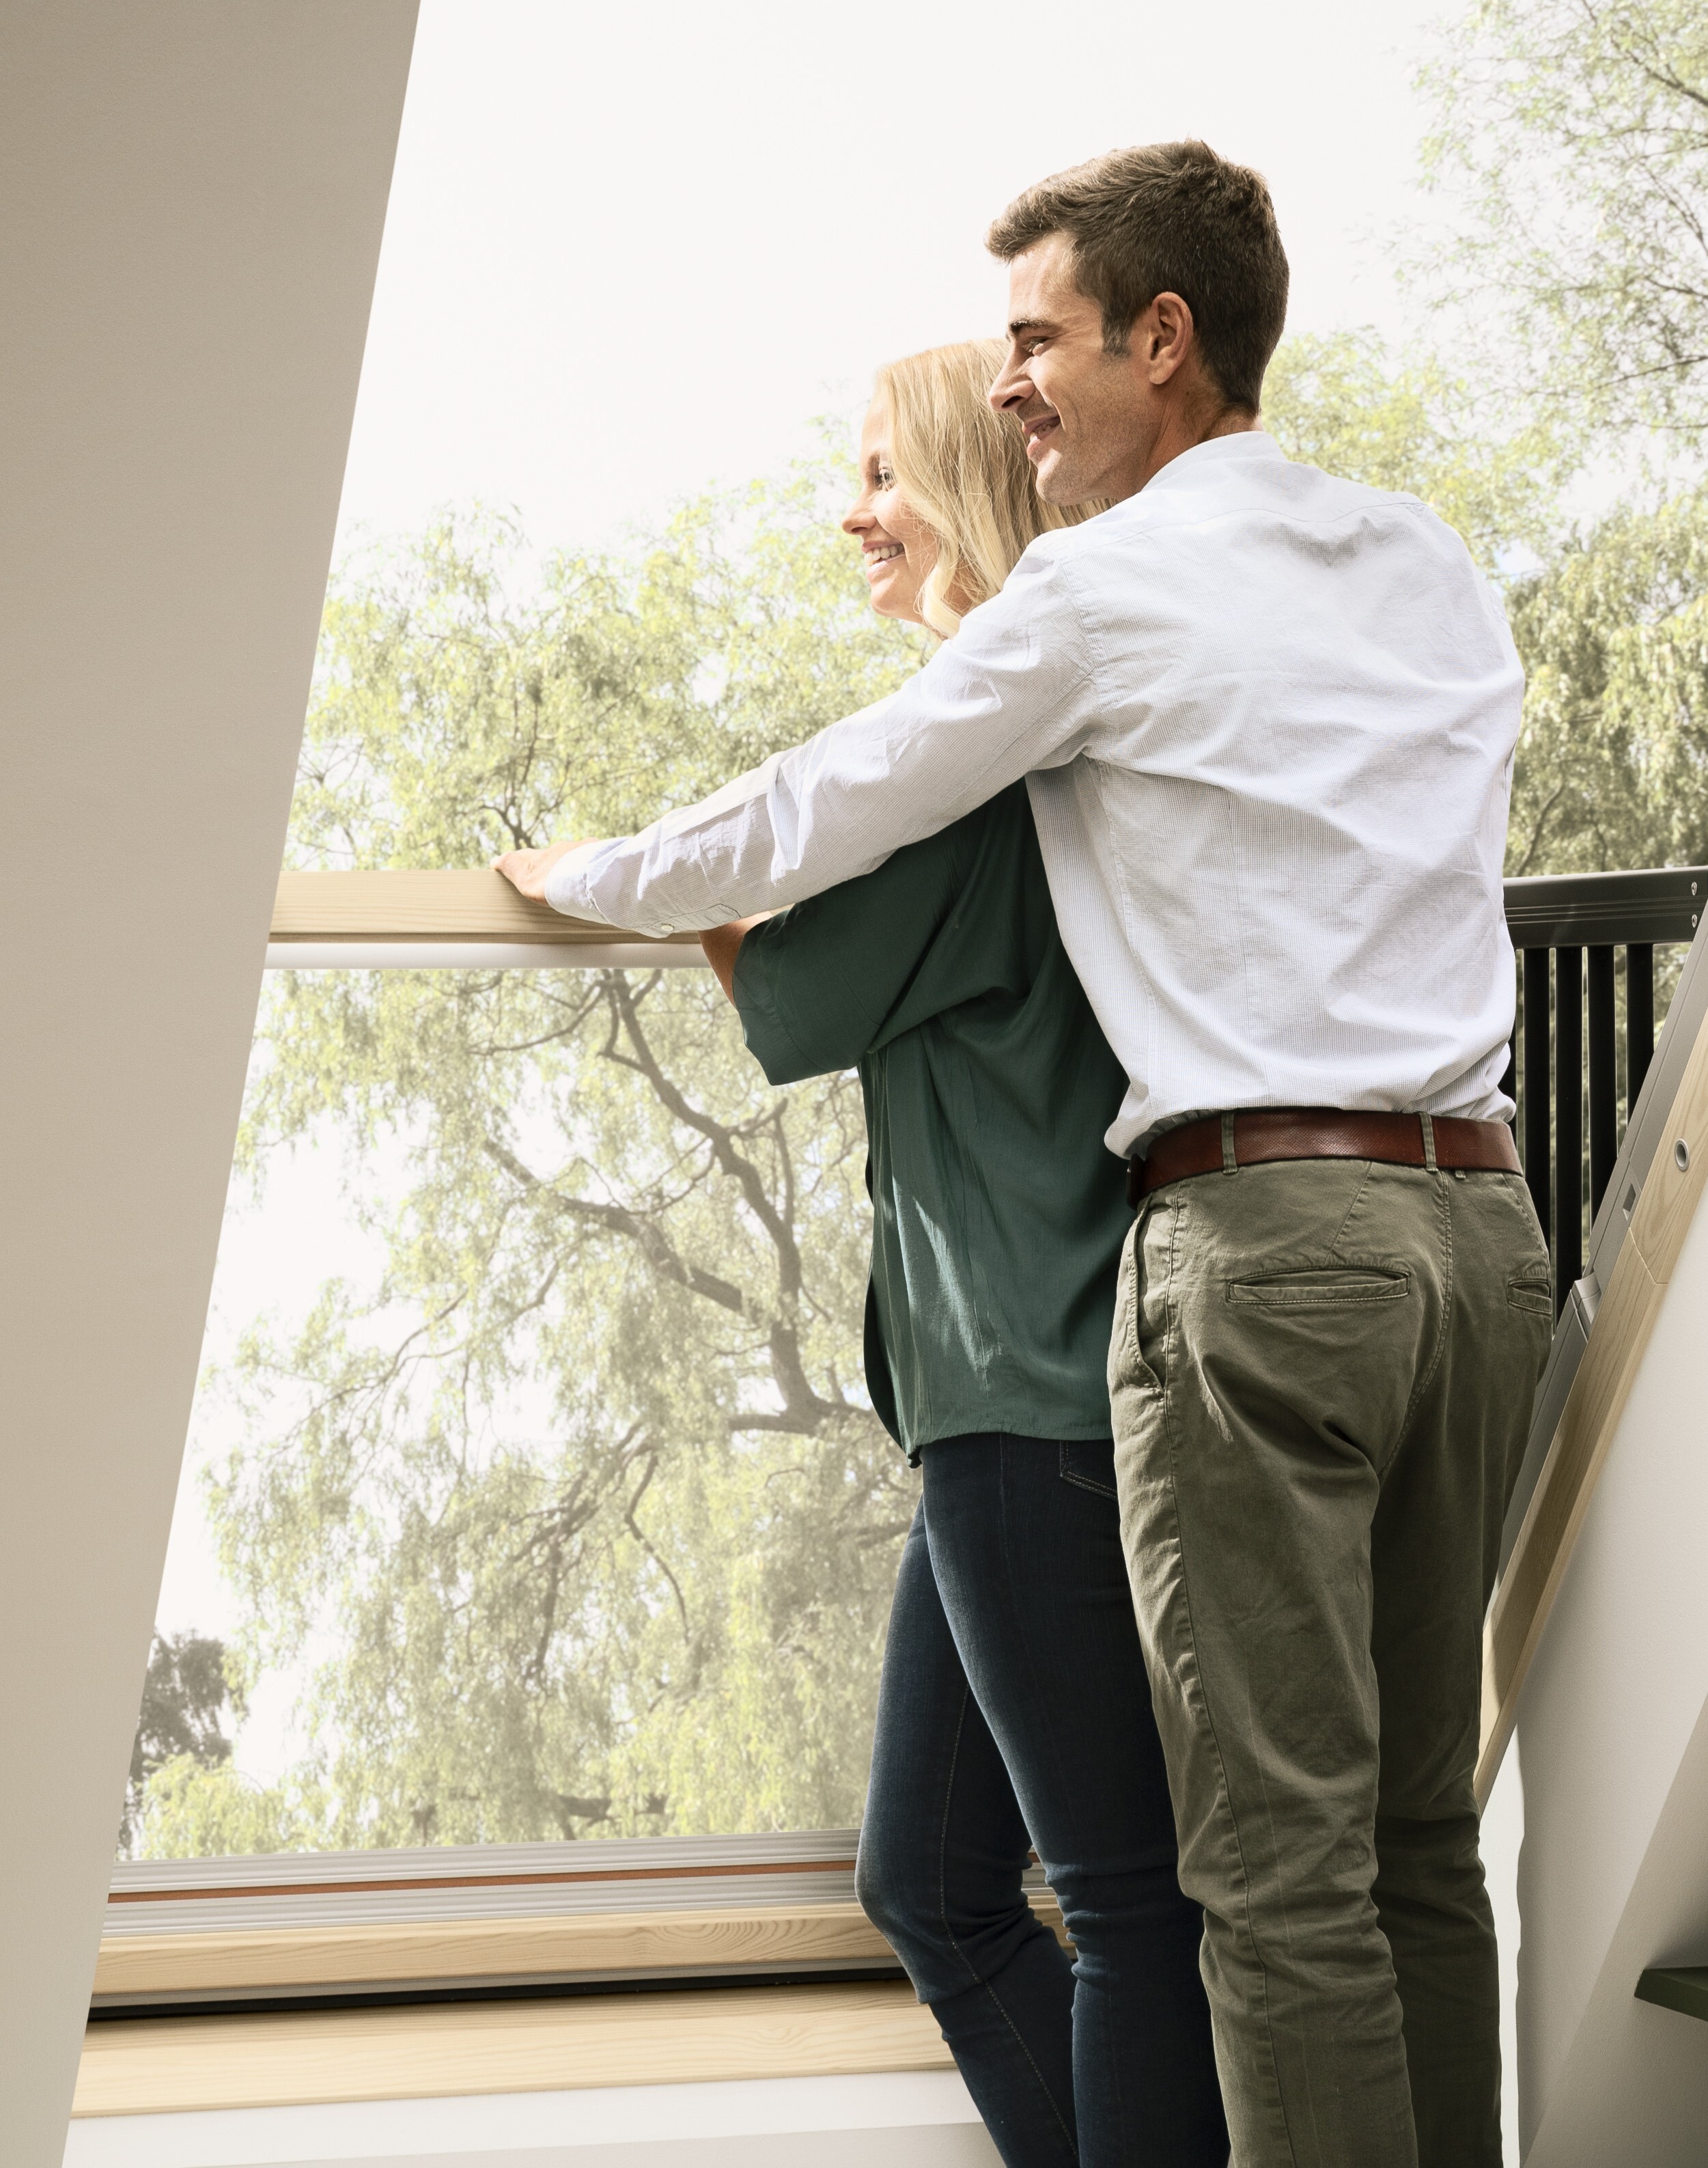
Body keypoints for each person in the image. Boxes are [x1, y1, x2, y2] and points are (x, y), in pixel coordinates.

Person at [501, 141, 1547, 2168]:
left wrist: (594, 876)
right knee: (1424, 1840)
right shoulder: (1420, 557)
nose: (1009, 389)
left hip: (1269, 1247)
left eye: (1036, 339)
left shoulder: (1109, 585)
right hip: (1480, 1226)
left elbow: (832, 799)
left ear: (1166, 343)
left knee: (1270, 1875)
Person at [701, 337, 1227, 2168]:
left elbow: (781, 986)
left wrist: (672, 870)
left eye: (880, 472)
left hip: (1040, 1394)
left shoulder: (977, 777)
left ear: (964, 482)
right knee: (927, 1878)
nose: (850, 512)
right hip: (1011, 1403)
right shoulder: (1030, 742)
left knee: (1124, 1899)